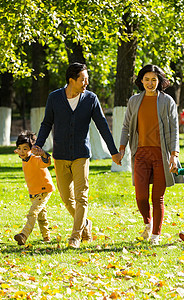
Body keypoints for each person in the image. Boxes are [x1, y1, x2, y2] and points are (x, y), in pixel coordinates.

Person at [32, 62, 122, 249]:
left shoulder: (91, 99)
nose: (86, 83)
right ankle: (85, 223)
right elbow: (47, 123)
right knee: (67, 198)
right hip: (61, 154)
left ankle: (75, 236)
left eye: (87, 80)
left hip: (81, 154)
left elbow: (102, 125)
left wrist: (114, 151)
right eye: (83, 80)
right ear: (71, 80)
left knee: (81, 197)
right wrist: (38, 144)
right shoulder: (55, 98)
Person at [119, 64, 184, 245]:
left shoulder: (167, 101)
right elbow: (126, 126)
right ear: (141, 81)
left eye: (154, 79)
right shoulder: (134, 101)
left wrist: (174, 154)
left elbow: (174, 129)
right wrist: (122, 148)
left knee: (158, 197)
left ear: (159, 81)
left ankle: (156, 234)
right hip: (140, 153)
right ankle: (148, 223)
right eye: (146, 79)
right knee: (140, 195)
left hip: (162, 154)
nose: (150, 83)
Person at [13, 130, 55, 246]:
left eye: (25, 149)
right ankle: (46, 237)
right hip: (33, 192)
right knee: (41, 216)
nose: (22, 151)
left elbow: (47, 162)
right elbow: (20, 153)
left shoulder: (36, 159)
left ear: (31, 149)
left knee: (32, 213)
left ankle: (24, 235)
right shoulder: (24, 157)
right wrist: (19, 151)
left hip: (43, 190)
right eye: (20, 148)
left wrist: (43, 154)